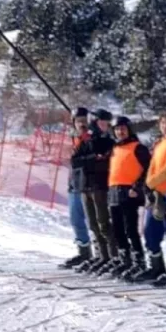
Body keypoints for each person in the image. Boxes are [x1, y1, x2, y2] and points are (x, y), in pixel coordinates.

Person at [133, 111, 166, 284]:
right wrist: (147, 185)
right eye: (162, 123)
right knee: (150, 231)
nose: (164, 126)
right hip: (155, 193)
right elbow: (153, 166)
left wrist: (151, 182)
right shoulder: (160, 143)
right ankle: (156, 266)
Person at [106, 116, 151, 278]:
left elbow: (148, 169)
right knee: (117, 229)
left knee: (130, 228)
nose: (120, 131)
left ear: (129, 129)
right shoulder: (114, 148)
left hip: (130, 192)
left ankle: (139, 262)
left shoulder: (138, 147)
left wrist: (137, 186)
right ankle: (125, 261)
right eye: (117, 129)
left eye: (123, 128)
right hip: (114, 191)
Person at [76, 109, 116, 274]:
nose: (104, 126)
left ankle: (114, 257)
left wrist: (95, 161)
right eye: (101, 122)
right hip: (86, 185)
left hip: (101, 186)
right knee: (93, 224)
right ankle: (103, 256)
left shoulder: (109, 141)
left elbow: (109, 163)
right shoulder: (87, 139)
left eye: (106, 123)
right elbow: (74, 160)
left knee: (104, 223)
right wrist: (93, 159)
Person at [58, 107, 93, 270]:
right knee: (75, 219)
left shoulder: (93, 138)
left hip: (90, 185)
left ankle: (103, 254)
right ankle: (84, 252)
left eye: (85, 121)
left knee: (95, 221)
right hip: (74, 184)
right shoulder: (74, 138)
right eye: (79, 121)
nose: (82, 124)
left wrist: (88, 139)